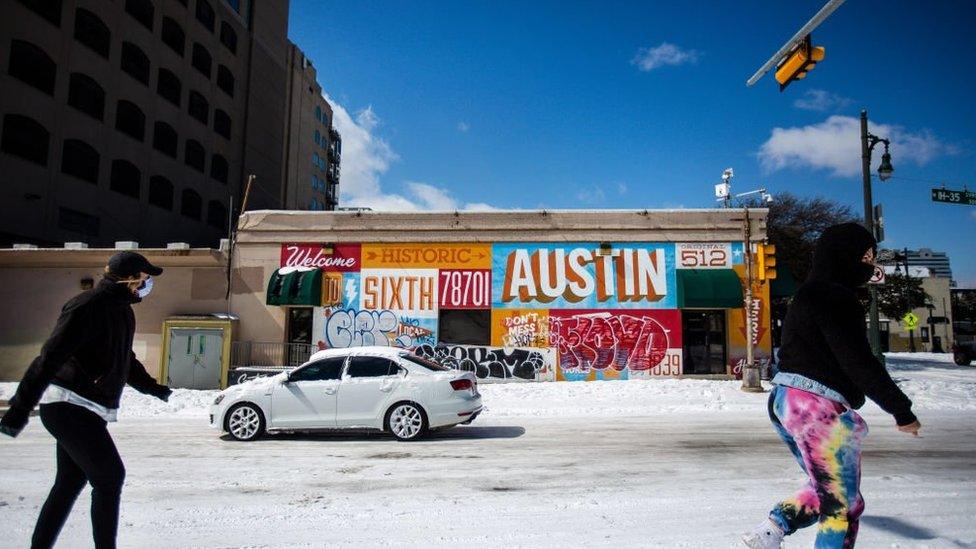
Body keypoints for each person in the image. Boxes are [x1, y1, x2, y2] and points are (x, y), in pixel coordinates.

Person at [743, 223, 922, 549]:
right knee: (843, 505)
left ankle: (772, 529)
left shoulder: (807, 294)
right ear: (843, 256)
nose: (870, 264)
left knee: (827, 488)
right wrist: (900, 408)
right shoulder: (836, 296)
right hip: (816, 404)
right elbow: (859, 361)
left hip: (786, 400)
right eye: (865, 257)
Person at [0, 251, 172, 549]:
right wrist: (19, 410)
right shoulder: (87, 306)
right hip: (68, 404)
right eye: (145, 279)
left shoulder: (123, 312)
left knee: (69, 483)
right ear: (130, 278)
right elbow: (49, 358)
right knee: (110, 477)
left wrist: (155, 389)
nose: (147, 285)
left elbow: (125, 360)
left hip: (87, 408)